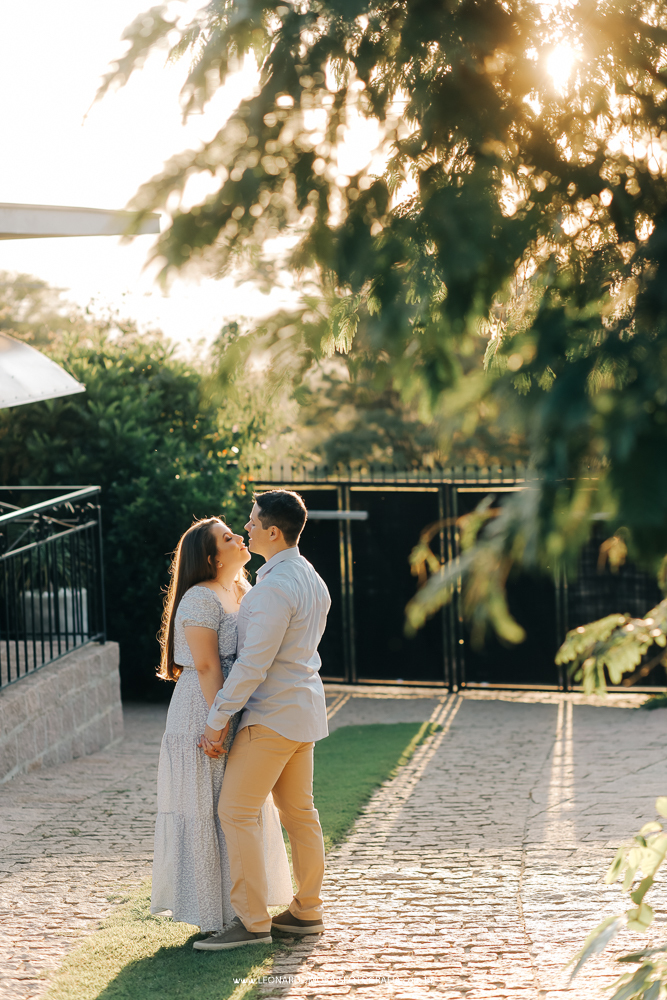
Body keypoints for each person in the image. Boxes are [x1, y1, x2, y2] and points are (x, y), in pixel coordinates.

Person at [194, 489, 331, 952]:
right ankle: (307, 910)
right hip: (303, 713)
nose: (246, 527)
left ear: (273, 531)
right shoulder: (310, 577)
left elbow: (254, 664)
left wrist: (216, 720)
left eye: (252, 522)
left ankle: (252, 923)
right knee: (300, 814)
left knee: (235, 811)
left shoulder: (274, 587)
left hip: (271, 717)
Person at [150, 516, 292, 937]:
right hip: (203, 712)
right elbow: (210, 666)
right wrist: (220, 725)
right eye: (228, 537)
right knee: (206, 809)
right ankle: (214, 911)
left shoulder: (243, 590)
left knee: (237, 808)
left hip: (231, 709)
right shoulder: (199, 597)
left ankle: (243, 906)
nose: (239, 537)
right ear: (212, 557)